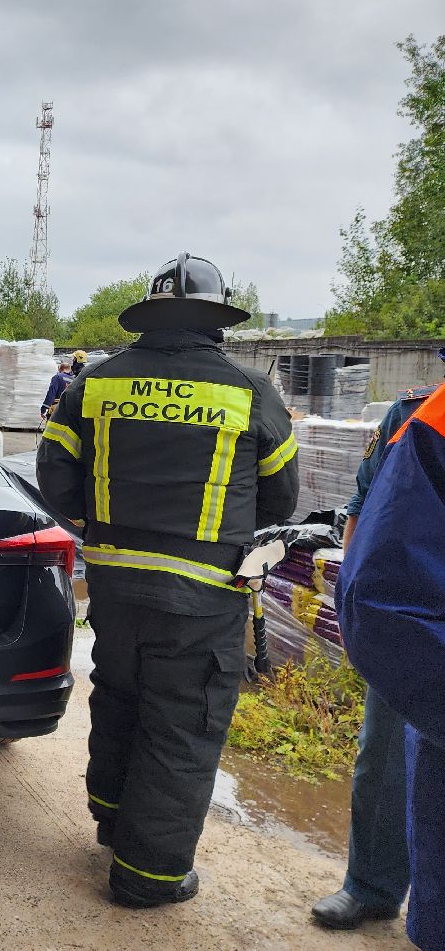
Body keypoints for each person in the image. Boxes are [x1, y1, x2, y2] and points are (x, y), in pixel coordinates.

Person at [37, 252, 299, 908]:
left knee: (120, 699)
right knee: (183, 724)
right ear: (217, 323)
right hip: (203, 599)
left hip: (117, 590)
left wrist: (103, 525)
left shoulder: (92, 385)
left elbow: (54, 480)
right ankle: (148, 876)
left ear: (148, 318)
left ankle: (112, 824)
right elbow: (281, 502)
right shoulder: (250, 393)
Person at [312, 352, 445, 933]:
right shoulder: (416, 415)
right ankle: (371, 885)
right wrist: (360, 618)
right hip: (419, 623)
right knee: (385, 755)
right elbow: (365, 512)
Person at [41, 359, 75, 425]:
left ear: (60, 369)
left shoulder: (58, 377)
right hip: (70, 409)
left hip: (56, 408)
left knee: (51, 428)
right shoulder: (75, 380)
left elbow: (51, 393)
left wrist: (44, 408)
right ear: (70, 369)